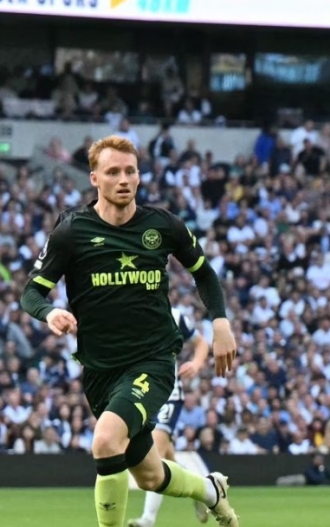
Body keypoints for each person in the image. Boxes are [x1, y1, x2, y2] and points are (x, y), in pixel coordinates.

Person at [20, 135, 241, 527]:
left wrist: (220, 321)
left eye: (131, 171)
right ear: (94, 178)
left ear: (139, 176)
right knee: (151, 475)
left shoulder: (163, 225)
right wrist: (49, 312)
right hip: (100, 369)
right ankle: (211, 491)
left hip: (152, 360)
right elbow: (31, 292)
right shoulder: (72, 231)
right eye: (113, 172)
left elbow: (204, 273)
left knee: (105, 441)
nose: (124, 179)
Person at [128, 307, 213, 527]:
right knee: (167, 460)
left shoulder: (174, 315)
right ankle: (201, 490)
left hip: (168, 392)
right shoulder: (126, 309)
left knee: (154, 454)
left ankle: (148, 519)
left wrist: (196, 363)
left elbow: (201, 343)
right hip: (139, 392)